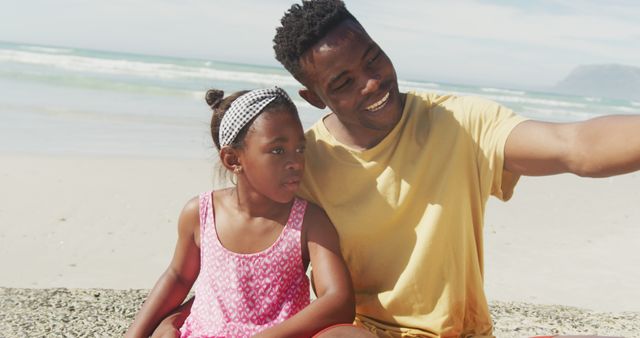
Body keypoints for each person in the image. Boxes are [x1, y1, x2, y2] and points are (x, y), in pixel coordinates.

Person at [153, 1, 640, 337]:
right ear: (314, 97)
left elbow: (574, 145)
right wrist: (180, 318)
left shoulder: (461, 124)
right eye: (344, 81)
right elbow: (243, 263)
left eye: (373, 58)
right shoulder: (304, 164)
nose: (372, 83)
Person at [124, 87, 368, 338]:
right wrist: (138, 332)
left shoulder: (309, 222)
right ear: (232, 160)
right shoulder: (201, 213)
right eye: (278, 150)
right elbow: (177, 277)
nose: (296, 162)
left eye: (300, 148)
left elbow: (338, 300)